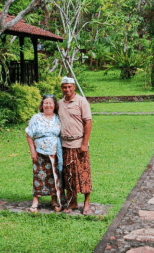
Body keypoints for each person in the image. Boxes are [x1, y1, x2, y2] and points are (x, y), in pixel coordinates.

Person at [58, 76, 93, 215]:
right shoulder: (59, 103)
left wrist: (84, 143)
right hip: (64, 145)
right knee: (68, 175)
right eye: (64, 87)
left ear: (74, 87)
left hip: (79, 144)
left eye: (69, 87)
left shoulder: (81, 101)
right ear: (61, 88)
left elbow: (88, 123)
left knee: (83, 174)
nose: (67, 90)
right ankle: (72, 201)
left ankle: (86, 203)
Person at [26, 94, 63, 213]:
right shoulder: (36, 118)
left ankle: (54, 200)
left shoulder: (58, 118)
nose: (48, 105)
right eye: (45, 103)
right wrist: (32, 151)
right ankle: (36, 200)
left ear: (54, 105)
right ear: (42, 105)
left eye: (50, 103)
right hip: (39, 152)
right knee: (39, 175)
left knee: (54, 176)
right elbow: (29, 134)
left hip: (54, 152)